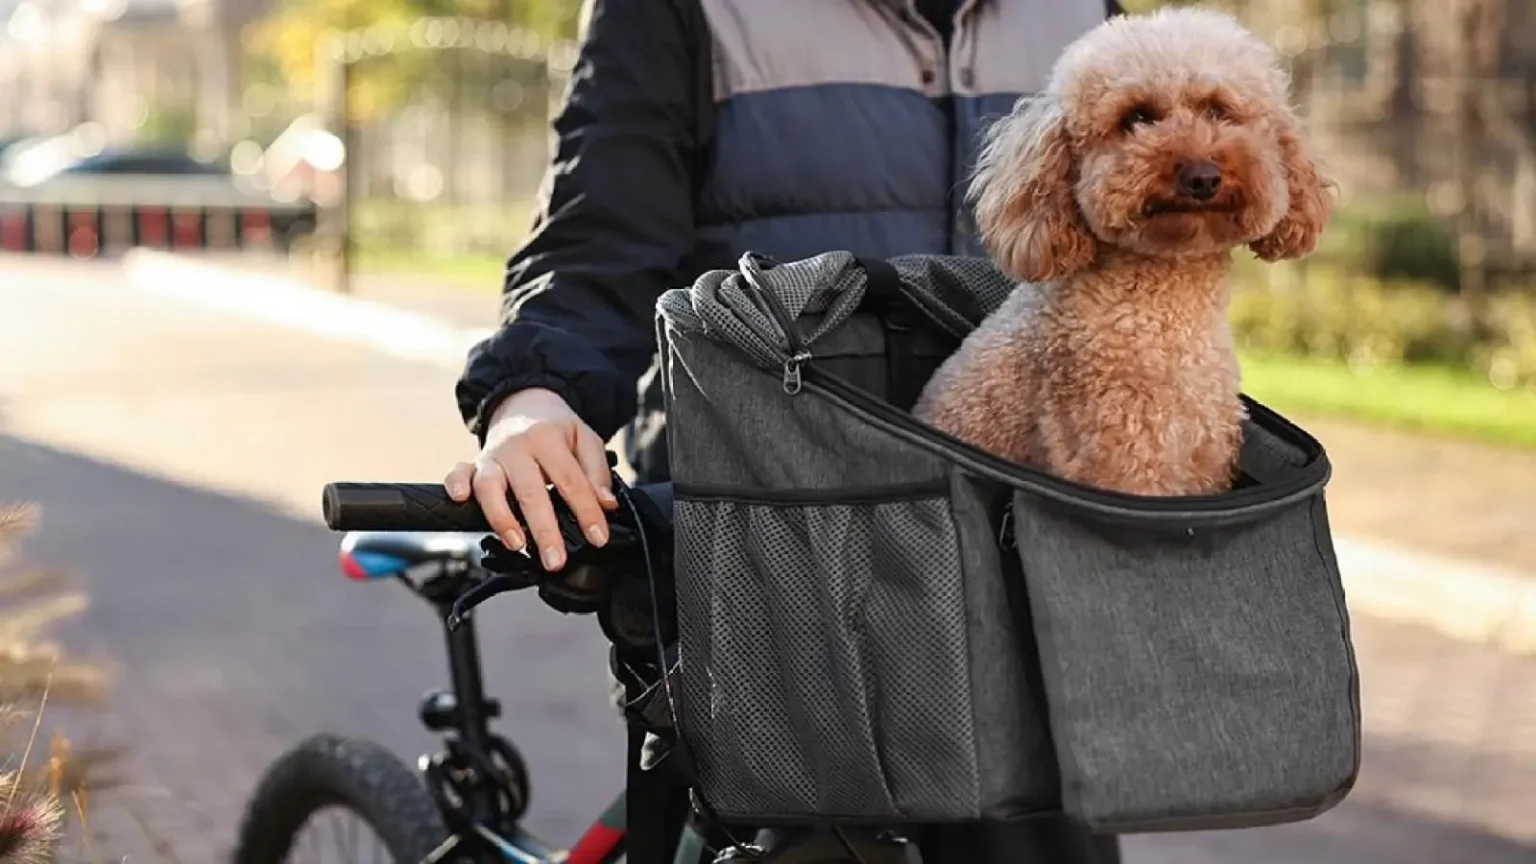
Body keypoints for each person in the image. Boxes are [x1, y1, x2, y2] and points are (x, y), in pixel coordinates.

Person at [446, 1, 1125, 861]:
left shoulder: (1080, 10)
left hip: (1018, 559)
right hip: (772, 554)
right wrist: (536, 396)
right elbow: (601, 233)